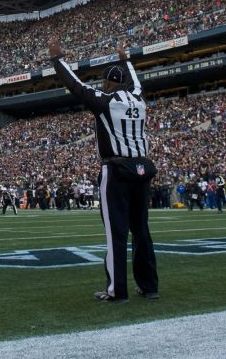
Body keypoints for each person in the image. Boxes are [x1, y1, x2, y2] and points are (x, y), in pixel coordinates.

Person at [50, 36, 158, 303]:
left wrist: (57, 60)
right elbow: (135, 82)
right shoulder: (138, 99)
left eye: (105, 83)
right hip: (143, 168)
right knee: (141, 230)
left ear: (109, 83)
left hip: (117, 170)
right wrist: (126, 59)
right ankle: (149, 286)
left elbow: (75, 86)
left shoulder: (105, 100)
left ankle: (117, 291)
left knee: (116, 232)